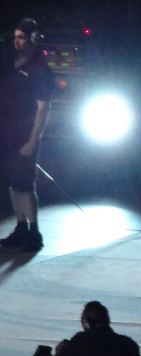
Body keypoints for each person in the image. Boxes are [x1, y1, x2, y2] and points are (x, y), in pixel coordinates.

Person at [0, 18, 54, 252]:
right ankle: (21, 227)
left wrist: (33, 140)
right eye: (15, 37)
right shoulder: (10, 63)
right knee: (13, 183)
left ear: (32, 39)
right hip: (6, 131)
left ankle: (34, 232)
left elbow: (43, 109)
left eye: (22, 37)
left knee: (24, 184)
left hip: (25, 132)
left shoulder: (40, 69)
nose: (17, 42)